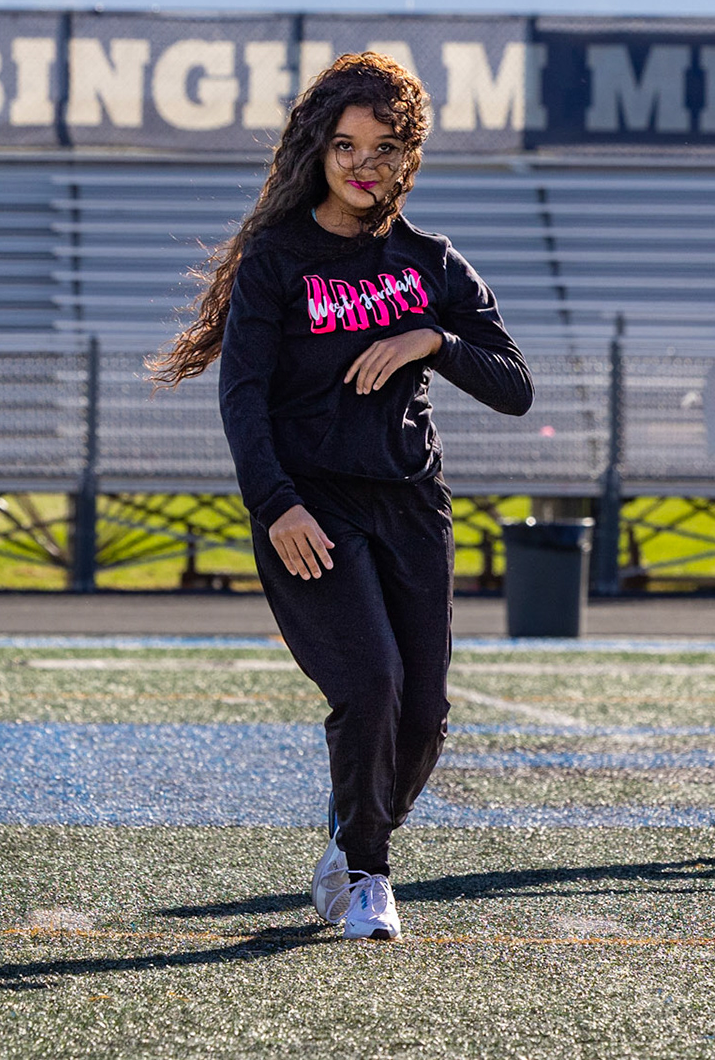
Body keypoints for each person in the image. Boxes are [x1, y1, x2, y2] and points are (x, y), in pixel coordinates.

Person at [150, 53, 532, 939]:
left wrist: (430, 341)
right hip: (311, 510)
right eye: (346, 146)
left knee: (424, 715)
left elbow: (515, 386)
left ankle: (349, 833)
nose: (364, 165)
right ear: (318, 150)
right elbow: (243, 396)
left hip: (411, 505)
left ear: (409, 158)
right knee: (370, 684)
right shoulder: (277, 258)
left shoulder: (430, 262)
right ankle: (368, 875)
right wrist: (276, 504)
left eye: (385, 148)